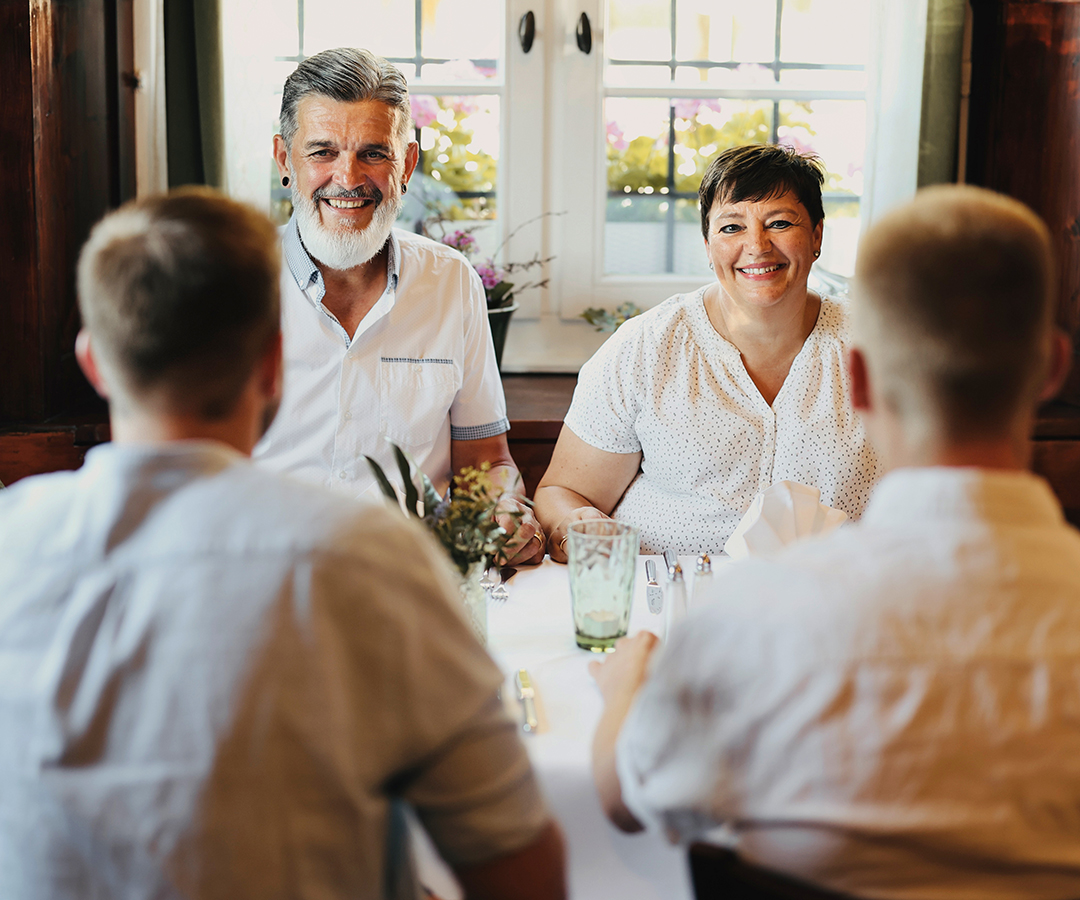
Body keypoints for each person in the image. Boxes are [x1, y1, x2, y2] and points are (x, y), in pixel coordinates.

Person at [0, 189, 566, 900]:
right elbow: (514, 859)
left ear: (94, 363)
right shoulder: (368, 559)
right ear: (273, 365)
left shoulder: (10, 543)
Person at [590, 185, 1080, 897]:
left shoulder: (751, 612)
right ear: (1053, 368)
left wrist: (626, 681)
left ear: (857, 378)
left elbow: (622, 798)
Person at [255, 47, 544, 566]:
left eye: (373, 153)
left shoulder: (452, 281)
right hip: (268, 575)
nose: (348, 178)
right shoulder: (232, 283)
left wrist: (502, 509)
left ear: (407, 162)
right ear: (284, 159)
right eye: (322, 152)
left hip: (409, 581)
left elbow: (485, 459)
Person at [535, 144, 882, 557]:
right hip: (668, 601)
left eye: (779, 223)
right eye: (731, 227)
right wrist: (579, 527)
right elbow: (565, 491)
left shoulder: (883, 349)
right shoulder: (645, 347)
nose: (757, 246)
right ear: (707, 243)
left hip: (837, 602)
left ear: (817, 236)